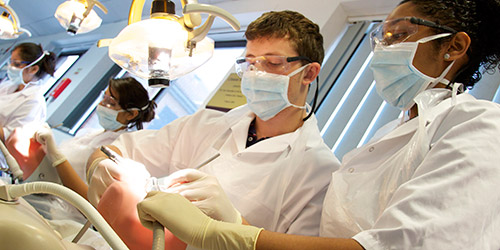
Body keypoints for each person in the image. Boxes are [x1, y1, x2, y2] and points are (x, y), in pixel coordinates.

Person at [136, 0, 500, 249]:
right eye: (382, 36)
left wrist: (221, 234)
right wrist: (235, 225)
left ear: (454, 47)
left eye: (400, 35)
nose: (383, 49)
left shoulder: (480, 126)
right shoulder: (387, 138)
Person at [86, 10, 339, 250]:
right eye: (250, 63)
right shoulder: (206, 124)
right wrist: (99, 166)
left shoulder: (320, 173)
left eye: (272, 63)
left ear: (309, 73)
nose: (256, 74)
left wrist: (235, 224)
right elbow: (114, 150)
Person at [0, 42, 56, 142]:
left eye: (16, 64)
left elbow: (10, 138)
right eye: (11, 62)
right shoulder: (8, 85)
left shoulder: (34, 101)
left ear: (33, 69)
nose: (10, 67)